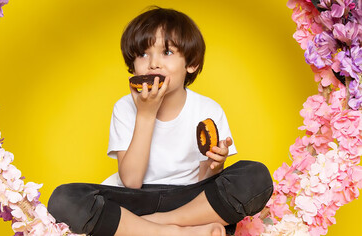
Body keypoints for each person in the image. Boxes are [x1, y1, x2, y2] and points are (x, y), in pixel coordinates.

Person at [48, 6, 273, 236]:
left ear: (191, 63)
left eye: (166, 53)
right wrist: (145, 114)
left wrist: (216, 165)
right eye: (143, 54)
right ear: (132, 64)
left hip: (190, 199)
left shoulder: (208, 108)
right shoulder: (124, 108)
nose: (154, 64)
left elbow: (206, 182)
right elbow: (132, 181)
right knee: (64, 199)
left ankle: (157, 224)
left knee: (255, 176)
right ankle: (177, 233)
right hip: (134, 201)